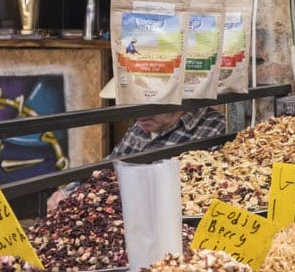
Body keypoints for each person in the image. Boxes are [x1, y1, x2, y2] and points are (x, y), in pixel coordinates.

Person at [46, 80, 227, 210]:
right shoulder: (139, 127)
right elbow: (107, 170)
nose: (138, 114)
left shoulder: (216, 129)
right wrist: (69, 193)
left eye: (144, 102)